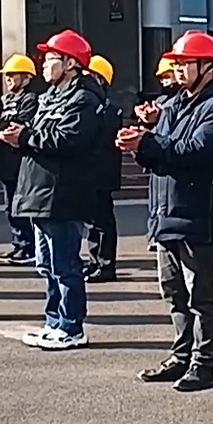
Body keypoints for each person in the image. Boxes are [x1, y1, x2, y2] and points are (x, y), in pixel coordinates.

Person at [121, 30, 213, 392]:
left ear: (209, 67)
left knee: (203, 296)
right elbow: (161, 151)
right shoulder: (173, 104)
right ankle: (181, 355)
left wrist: (148, 141)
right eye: (177, 63)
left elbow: (194, 151)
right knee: (174, 294)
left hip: (198, 218)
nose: (177, 69)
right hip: (165, 215)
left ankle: (203, 363)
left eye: (186, 63)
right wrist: (141, 142)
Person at [1, 29, 104, 351]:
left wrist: (25, 137)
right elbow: (41, 135)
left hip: (63, 193)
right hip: (40, 190)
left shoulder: (84, 99)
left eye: (51, 59)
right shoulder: (50, 97)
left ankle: (71, 326)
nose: (44, 65)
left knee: (65, 265)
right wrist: (21, 136)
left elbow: (68, 139)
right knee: (46, 264)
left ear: (71, 63)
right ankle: (54, 322)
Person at [0, 55, 39, 264]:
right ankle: (19, 244)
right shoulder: (5, 100)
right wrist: (0, 127)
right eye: (7, 75)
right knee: (10, 206)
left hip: (21, 160)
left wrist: (1, 126)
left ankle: (28, 247)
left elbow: (20, 124)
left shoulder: (31, 99)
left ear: (26, 77)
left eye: (13, 75)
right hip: (5, 161)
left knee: (22, 206)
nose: (8, 79)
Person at [82, 55, 123, 284]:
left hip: (102, 171)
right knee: (92, 221)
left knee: (102, 221)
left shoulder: (109, 108)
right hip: (90, 171)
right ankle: (94, 260)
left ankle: (106, 264)